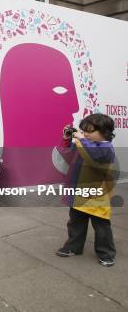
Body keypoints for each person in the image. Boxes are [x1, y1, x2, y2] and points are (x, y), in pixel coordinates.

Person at [53, 114, 118, 267]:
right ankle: (73, 247)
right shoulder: (85, 143)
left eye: (90, 131)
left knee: (102, 227)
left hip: (96, 197)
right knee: (75, 223)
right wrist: (67, 138)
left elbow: (92, 156)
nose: (85, 133)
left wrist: (81, 139)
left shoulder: (106, 148)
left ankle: (106, 253)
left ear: (105, 132)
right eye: (84, 130)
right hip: (78, 193)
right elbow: (65, 153)